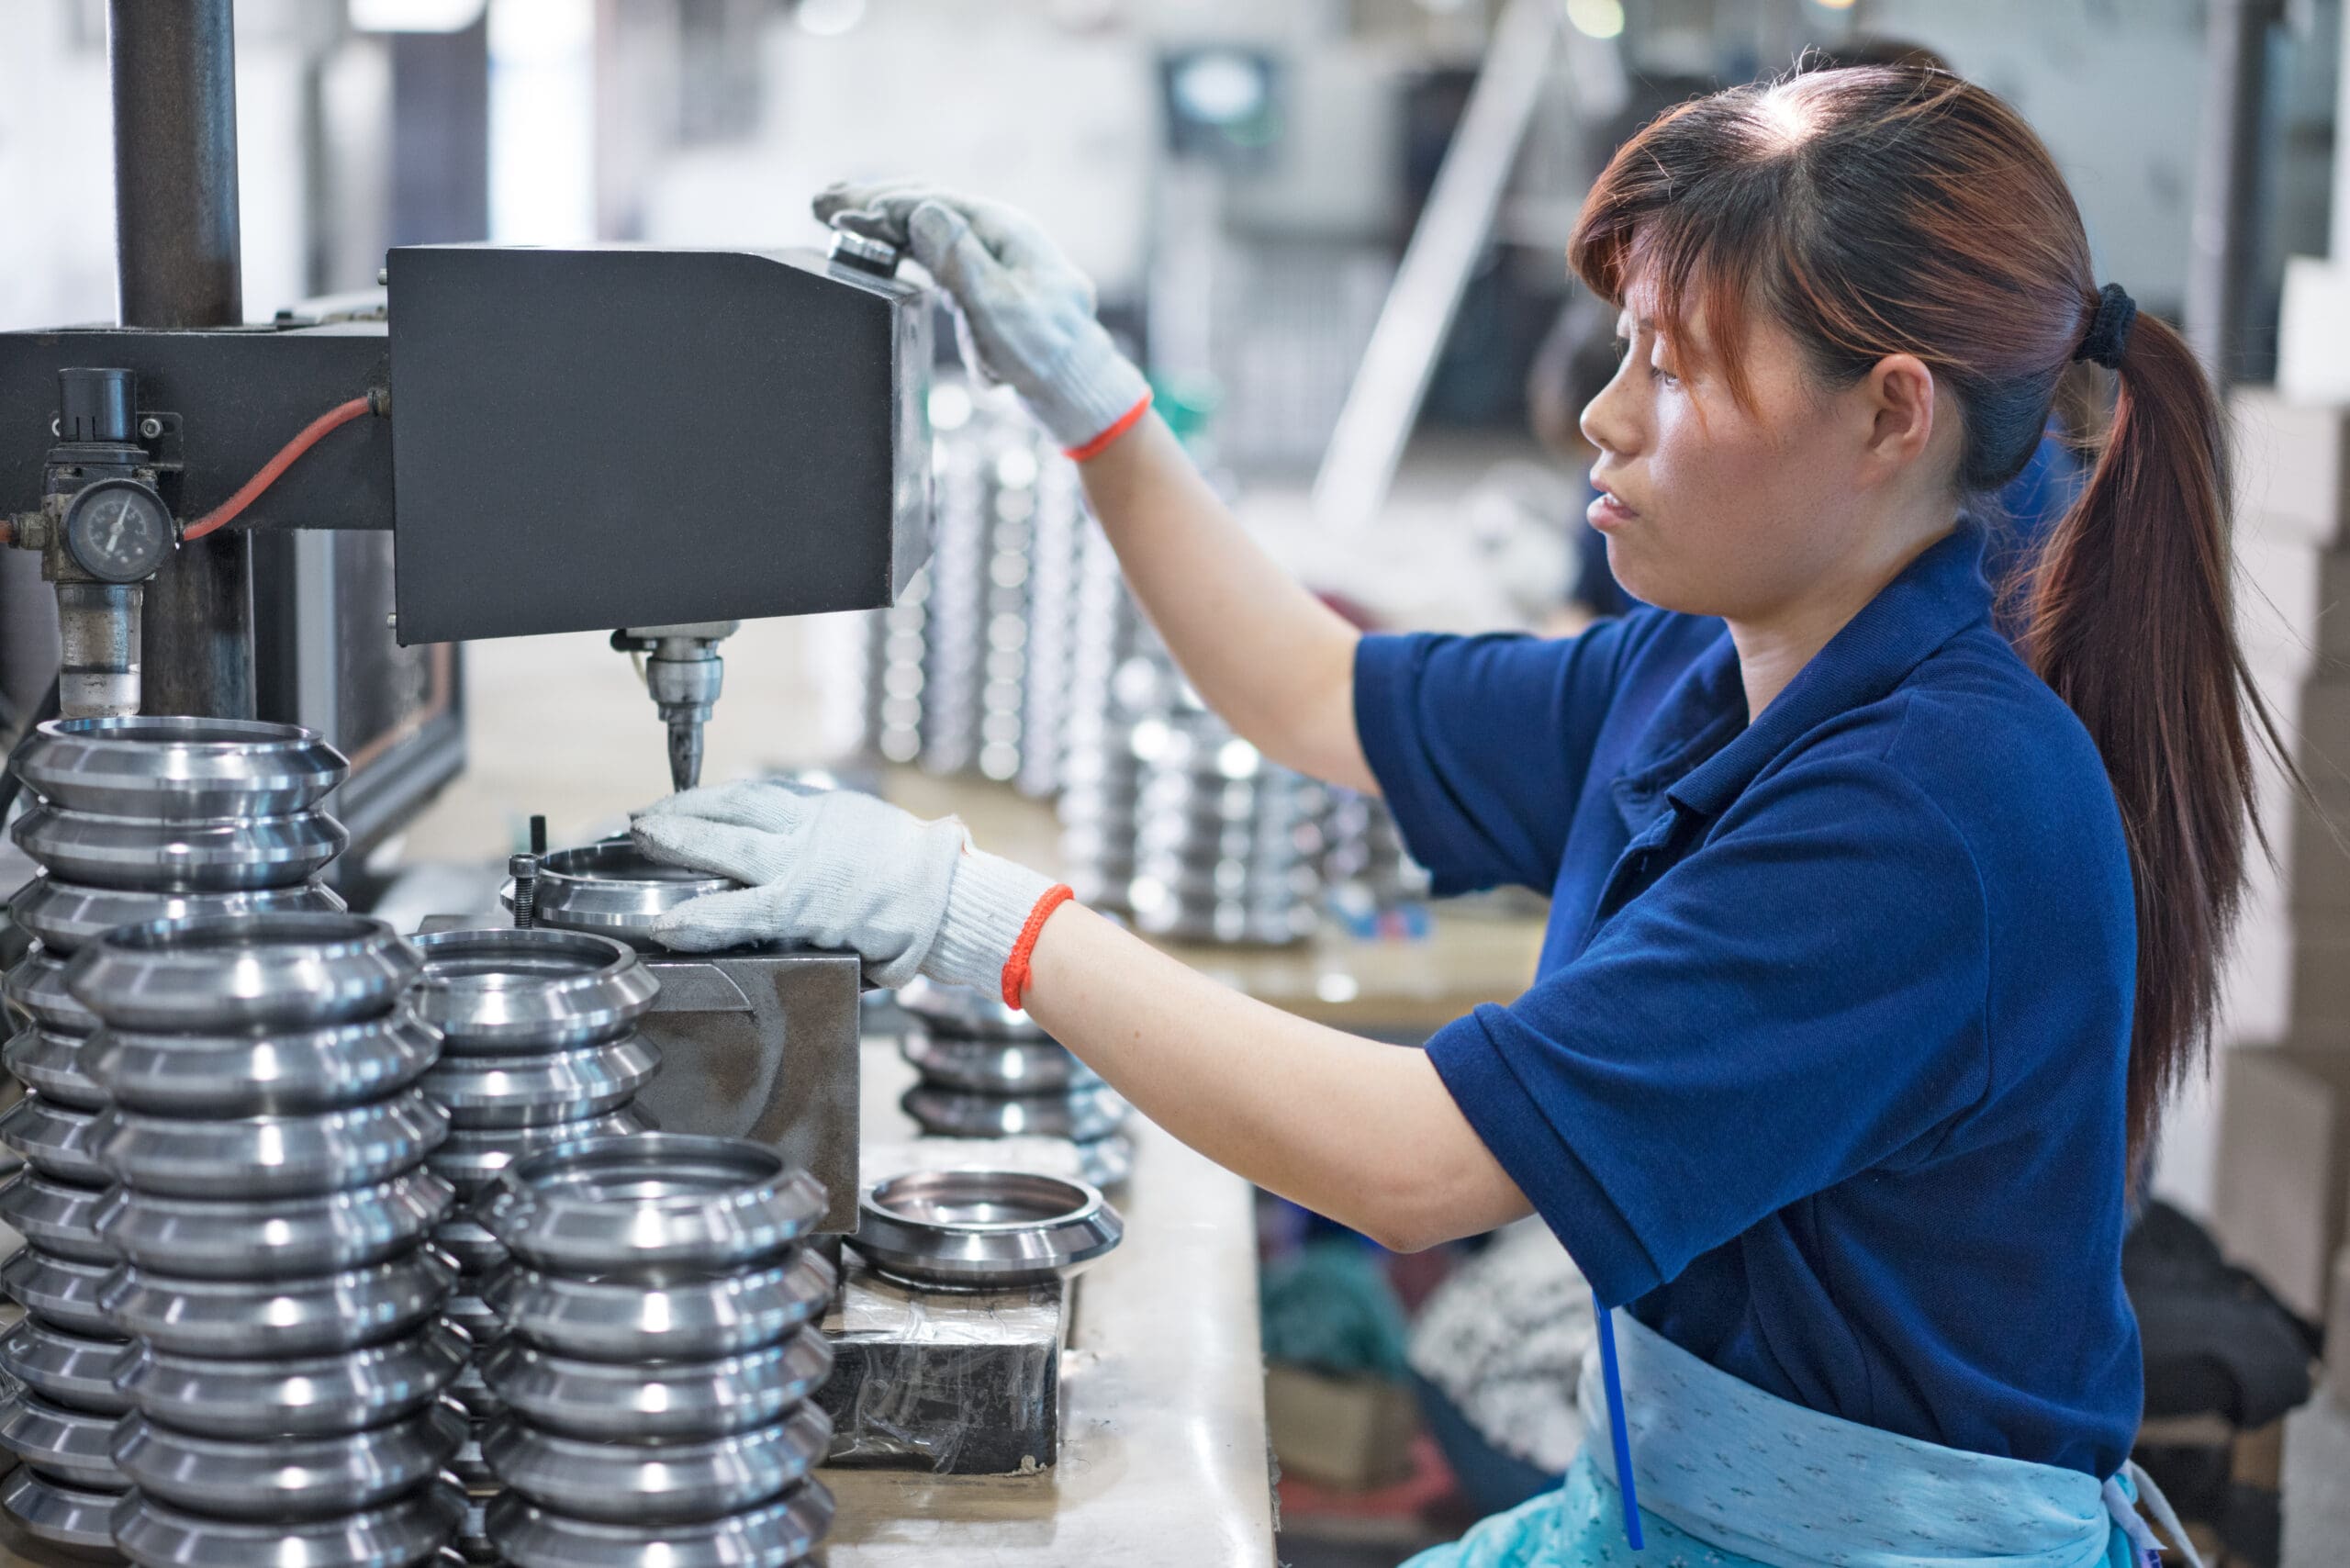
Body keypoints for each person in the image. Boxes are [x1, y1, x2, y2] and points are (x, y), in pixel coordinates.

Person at [633, 64, 2283, 1565]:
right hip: (1655, 1510)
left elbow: (1417, 1166)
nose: (1604, 415)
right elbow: (1312, 695)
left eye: (1677, 368)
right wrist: (1096, 406)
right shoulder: (1705, 672)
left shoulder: (1939, 814)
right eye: (1625, 348)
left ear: (1891, 414)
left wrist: (973, 916)